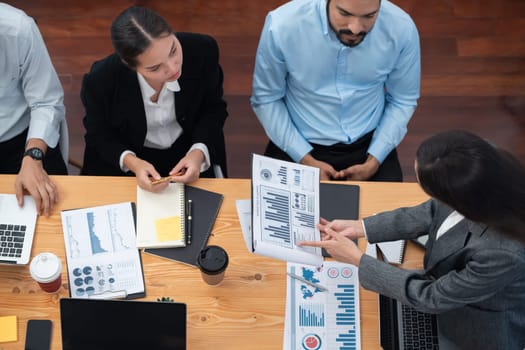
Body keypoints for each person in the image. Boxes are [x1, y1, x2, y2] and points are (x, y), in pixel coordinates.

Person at [300, 130, 525, 349]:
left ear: (458, 196)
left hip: (473, 326)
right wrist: (361, 227)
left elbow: (432, 296)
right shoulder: (478, 166)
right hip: (445, 285)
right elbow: (432, 211)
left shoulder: (503, 252)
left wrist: (358, 259)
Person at [250, 0, 420, 181]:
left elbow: (403, 100)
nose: (355, 29)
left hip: (371, 143)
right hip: (297, 142)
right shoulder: (282, 26)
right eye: (344, 14)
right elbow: (267, 98)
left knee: (393, 209)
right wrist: (304, 158)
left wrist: (374, 160)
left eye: (369, 16)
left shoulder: (402, 28)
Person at [81, 6, 228, 192]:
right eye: (155, 68)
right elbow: (98, 134)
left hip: (190, 144)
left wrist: (198, 153)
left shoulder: (203, 50)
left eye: (173, 50)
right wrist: (132, 163)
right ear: (130, 65)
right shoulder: (101, 80)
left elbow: (214, 109)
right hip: (132, 153)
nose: (173, 68)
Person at [0, 3, 68, 217]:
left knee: (50, 212)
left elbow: (46, 102)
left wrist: (33, 156)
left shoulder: (19, 28)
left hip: (23, 141)